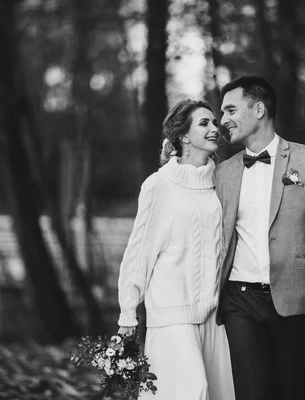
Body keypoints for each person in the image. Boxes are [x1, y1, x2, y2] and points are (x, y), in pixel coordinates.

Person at [215, 75, 305, 400]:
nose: (223, 120)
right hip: (239, 298)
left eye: (230, 110)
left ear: (259, 109)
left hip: (292, 297)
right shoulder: (224, 171)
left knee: (289, 390)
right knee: (251, 392)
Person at [117, 99, 235, 400]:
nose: (214, 128)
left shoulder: (221, 184)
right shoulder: (160, 186)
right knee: (191, 393)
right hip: (172, 317)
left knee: (221, 395)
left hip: (213, 317)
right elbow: (140, 253)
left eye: (214, 122)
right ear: (183, 136)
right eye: (204, 123)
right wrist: (128, 316)